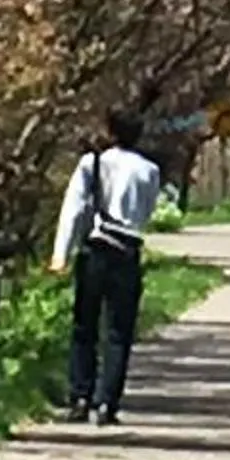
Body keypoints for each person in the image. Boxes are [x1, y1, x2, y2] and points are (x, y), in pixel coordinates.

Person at [51, 107, 164, 426]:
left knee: (84, 326)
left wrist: (61, 253)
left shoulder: (92, 163)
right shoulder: (150, 170)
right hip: (128, 252)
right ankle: (107, 403)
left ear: (110, 131)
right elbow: (147, 212)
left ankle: (80, 396)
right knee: (119, 332)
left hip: (95, 250)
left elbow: (73, 209)